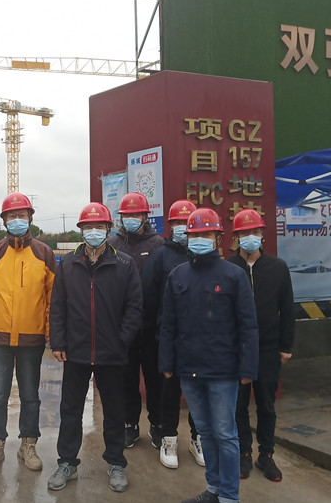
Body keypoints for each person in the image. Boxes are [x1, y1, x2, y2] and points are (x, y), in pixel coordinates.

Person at [160, 208, 258, 503]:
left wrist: (248, 368)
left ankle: (229, 496)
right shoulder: (178, 276)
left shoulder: (233, 275)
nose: (200, 239)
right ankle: (213, 489)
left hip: (223, 372)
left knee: (226, 434)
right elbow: (168, 324)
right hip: (189, 371)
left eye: (206, 234)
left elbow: (248, 325)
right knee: (205, 432)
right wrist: (166, 363)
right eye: (195, 234)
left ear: (218, 237)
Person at [47, 202, 143, 493]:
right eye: (88, 227)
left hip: (111, 353)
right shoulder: (68, 264)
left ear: (109, 229)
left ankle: (116, 463)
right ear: (81, 231)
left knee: (114, 410)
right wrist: (58, 341)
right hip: (75, 351)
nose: (93, 232)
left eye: (99, 227)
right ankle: (67, 462)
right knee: (70, 410)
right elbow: (58, 307)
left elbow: (134, 307)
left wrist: (121, 340)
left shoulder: (124, 264)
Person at [0, 192, 57, 473]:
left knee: (31, 395)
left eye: (21, 215)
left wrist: (49, 331)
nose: (17, 220)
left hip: (32, 338)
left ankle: (28, 444)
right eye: (12, 216)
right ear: (4, 221)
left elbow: (53, 297)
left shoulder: (43, 254)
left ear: (30, 218)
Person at [226, 209, 295, 483]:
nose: (250, 236)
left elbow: (287, 308)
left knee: (266, 404)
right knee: (238, 405)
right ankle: (243, 452)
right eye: (244, 232)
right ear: (236, 236)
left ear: (262, 234)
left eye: (255, 231)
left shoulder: (278, 267)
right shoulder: (228, 268)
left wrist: (286, 346)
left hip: (268, 347)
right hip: (236, 349)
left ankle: (266, 454)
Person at [140, 198, 200, 469]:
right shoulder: (160, 256)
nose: (182, 227)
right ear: (170, 225)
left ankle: (198, 439)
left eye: (187, 223)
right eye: (177, 222)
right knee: (169, 392)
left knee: (199, 393)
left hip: (201, 339)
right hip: (168, 337)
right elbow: (149, 298)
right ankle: (168, 439)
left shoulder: (204, 256)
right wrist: (155, 334)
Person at [107, 191, 166, 450]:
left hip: (151, 327)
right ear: (121, 217)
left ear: (145, 216)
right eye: (127, 215)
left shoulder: (158, 245)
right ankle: (129, 424)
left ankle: (157, 424)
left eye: (136, 215)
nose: (131, 219)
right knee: (126, 380)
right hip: (123, 328)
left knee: (155, 380)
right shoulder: (112, 244)